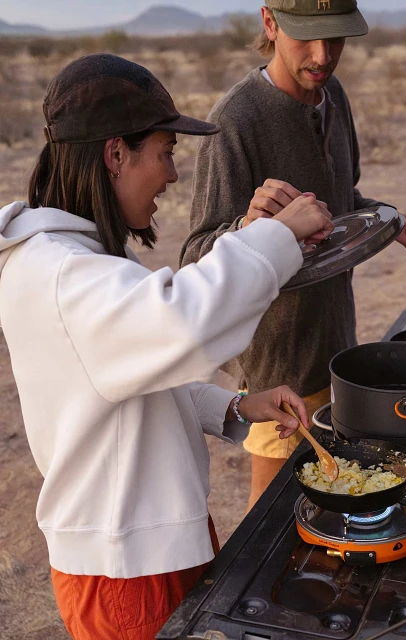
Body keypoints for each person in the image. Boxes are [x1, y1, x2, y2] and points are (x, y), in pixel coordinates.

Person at [0, 53, 333, 640]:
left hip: (149, 542)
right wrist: (274, 236)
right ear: (115, 154)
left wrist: (232, 407)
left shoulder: (76, 260)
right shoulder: (63, 274)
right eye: (166, 152)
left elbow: (126, 376)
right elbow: (186, 322)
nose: (174, 174)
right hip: (127, 572)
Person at [181, 0, 406, 510]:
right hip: (279, 367)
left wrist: (389, 217)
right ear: (269, 24)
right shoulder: (235, 121)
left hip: (336, 346)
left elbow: (343, 205)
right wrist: (253, 227)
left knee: (333, 497)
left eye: (336, 38)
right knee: (270, 516)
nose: (323, 56)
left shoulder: (332, 96)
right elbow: (197, 257)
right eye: (307, 38)